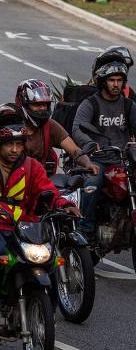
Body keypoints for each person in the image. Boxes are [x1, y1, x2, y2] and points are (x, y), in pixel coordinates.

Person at [0, 103, 80, 325]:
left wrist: (63, 204)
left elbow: (47, 190)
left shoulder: (32, 167)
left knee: (48, 258)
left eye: (19, 144)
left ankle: (47, 306)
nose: (15, 150)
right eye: (9, 144)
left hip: (23, 228)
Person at [71, 60, 136, 239]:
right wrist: (90, 143)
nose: (116, 84)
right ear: (102, 82)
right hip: (97, 159)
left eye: (119, 80)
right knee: (92, 184)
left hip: (123, 160)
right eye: (111, 80)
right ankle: (86, 227)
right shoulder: (90, 104)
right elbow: (77, 128)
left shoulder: (129, 105)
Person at [15, 79, 97, 175]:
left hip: (41, 181)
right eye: (37, 104)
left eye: (45, 104)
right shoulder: (11, 128)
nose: (42, 108)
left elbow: (74, 151)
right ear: (23, 104)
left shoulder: (49, 125)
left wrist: (87, 164)